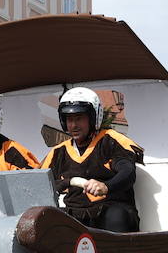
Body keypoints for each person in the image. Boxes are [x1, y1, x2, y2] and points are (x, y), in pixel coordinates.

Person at [41, 87, 143, 233]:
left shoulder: (110, 141)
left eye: (79, 118)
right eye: (69, 119)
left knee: (116, 216)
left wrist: (106, 186)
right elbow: (41, 184)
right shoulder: (58, 152)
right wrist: (67, 182)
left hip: (111, 210)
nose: (74, 125)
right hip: (75, 215)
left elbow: (127, 171)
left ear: (93, 117)